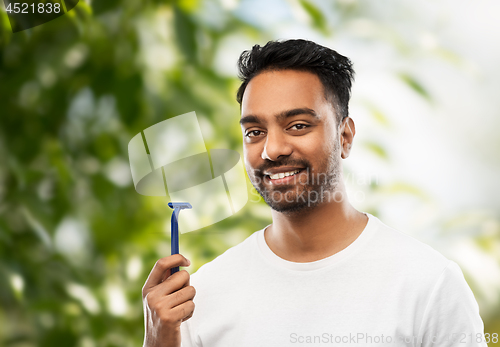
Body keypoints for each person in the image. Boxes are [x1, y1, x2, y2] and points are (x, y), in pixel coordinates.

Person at [141, 39, 487, 347]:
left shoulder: (429, 285)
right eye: (255, 132)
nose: (272, 149)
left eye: (298, 126)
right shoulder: (198, 299)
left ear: (345, 137)